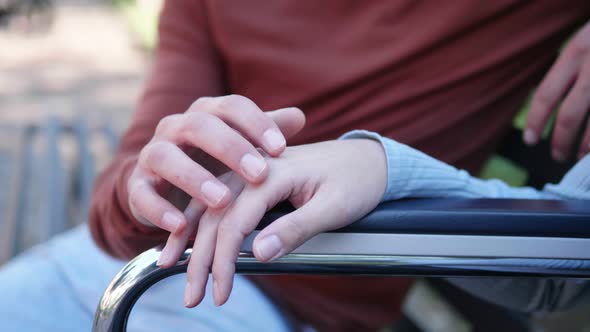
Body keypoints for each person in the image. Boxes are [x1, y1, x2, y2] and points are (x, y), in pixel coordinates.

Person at [1, 0, 590, 331]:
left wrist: (378, 166)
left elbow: (561, 265)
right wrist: (145, 184)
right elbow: (127, 184)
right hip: (115, 266)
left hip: (279, 302)